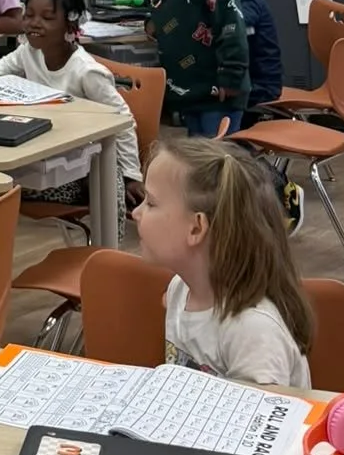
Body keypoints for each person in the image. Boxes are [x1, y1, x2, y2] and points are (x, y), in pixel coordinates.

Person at [132, 136, 312, 389]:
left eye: (151, 203)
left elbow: (254, 413)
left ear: (196, 228)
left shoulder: (253, 332)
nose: (135, 213)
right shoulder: (179, 289)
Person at [0, 0, 140, 227]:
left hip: (82, 165)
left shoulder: (87, 72)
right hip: (44, 155)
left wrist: (132, 174)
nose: (34, 23)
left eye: (47, 18)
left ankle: (106, 245)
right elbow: (4, 67)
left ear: (70, 26)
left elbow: (123, 120)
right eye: (29, 15)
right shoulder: (30, 52)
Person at [211, 0, 302, 234]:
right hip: (237, 85)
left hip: (259, 88)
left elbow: (233, 24)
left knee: (224, 141)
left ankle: (279, 192)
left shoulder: (250, 3)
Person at [142, 0, 250, 136]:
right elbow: (160, 12)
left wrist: (231, 78)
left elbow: (232, 28)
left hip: (218, 89)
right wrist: (150, 24)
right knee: (196, 149)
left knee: (217, 151)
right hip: (186, 88)